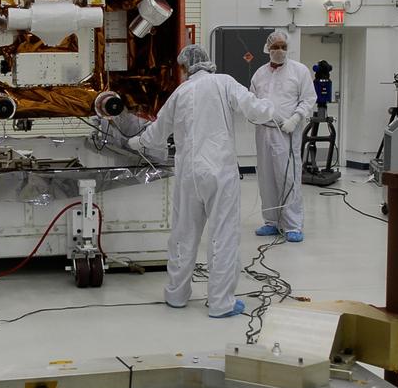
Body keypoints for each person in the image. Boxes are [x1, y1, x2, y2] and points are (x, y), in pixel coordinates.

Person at [128, 44, 275, 317]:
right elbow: (255, 110)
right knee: (223, 235)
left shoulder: (180, 92)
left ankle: (176, 295)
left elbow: (156, 133)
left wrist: (136, 142)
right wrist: (272, 106)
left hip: (188, 174)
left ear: (185, 67)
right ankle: (221, 303)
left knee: (183, 235)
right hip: (219, 171)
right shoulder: (224, 83)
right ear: (208, 62)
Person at [250, 30, 316, 242]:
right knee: (266, 176)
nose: (279, 50)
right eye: (275, 47)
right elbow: (251, 98)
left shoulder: (299, 71)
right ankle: (272, 221)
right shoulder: (259, 73)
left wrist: (295, 119)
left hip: (286, 132)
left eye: (283, 47)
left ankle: (292, 225)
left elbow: (308, 98)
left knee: (288, 177)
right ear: (268, 48)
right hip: (263, 130)